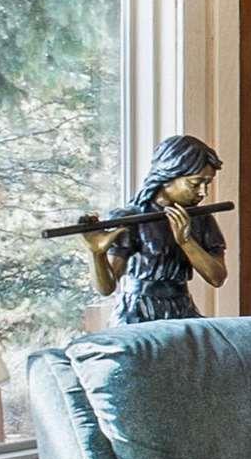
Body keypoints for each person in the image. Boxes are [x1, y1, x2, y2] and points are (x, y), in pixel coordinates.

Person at [79, 134, 227, 323]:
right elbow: (106, 288)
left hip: (182, 311)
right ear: (167, 176)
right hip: (137, 313)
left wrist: (186, 242)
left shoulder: (201, 219)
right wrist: (96, 254)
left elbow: (217, 278)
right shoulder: (130, 217)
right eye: (195, 183)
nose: (203, 192)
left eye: (207, 184)